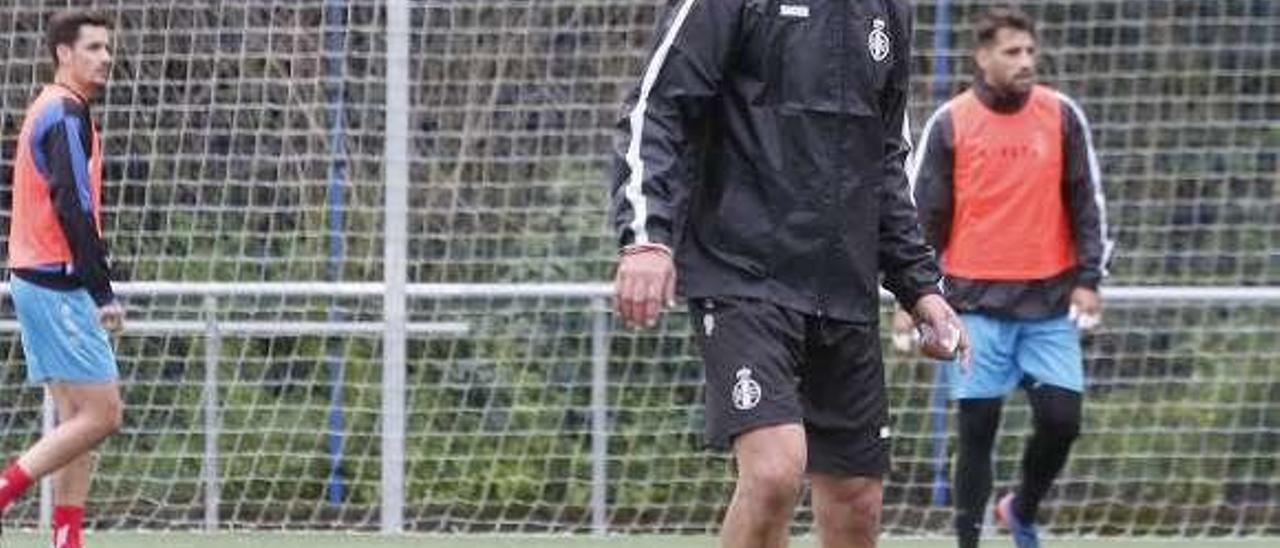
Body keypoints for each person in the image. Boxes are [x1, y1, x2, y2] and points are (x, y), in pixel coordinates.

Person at [610, 1, 968, 547]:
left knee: (857, 500)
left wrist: (920, 285)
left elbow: (887, 159)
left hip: (843, 288)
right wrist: (646, 239)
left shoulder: (891, 9)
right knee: (775, 472)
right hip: (742, 274)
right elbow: (655, 109)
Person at [899, 6, 1112, 548]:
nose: (1025, 62)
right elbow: (923, 218)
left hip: (1048, 302)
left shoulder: (1061, 116)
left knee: (1062, 419)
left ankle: (1021, 508)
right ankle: (969, 541)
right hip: (973, 303)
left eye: (1030, 52)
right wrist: (909, 296)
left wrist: (1090, 278)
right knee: (977, 432)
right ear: (983, 57)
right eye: (1013, 52)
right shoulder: (951, 122)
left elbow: (1087, 202)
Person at [1, 10, 125, 548]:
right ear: (63, 54)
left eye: (107, 49)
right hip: (57, 283)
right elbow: (74, 206)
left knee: (77, 420)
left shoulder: (49, 109)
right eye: (93, 48)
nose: (105, 58)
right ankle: (4, 489)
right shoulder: (66, 113)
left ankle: (65, 539)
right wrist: (102, 292)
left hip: (35, 279)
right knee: (103, 414)